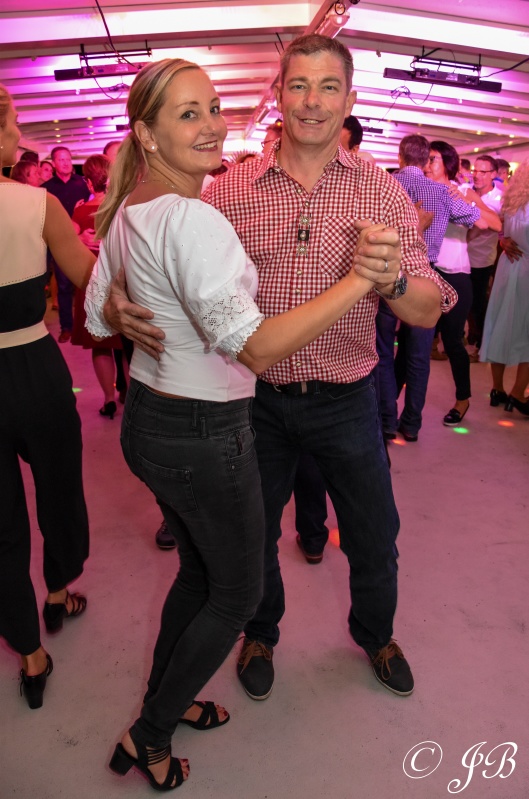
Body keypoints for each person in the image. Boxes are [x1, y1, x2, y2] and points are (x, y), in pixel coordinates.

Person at [102, 36, 457, 708]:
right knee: (254, 536)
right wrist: (119, 296)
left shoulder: (380, 190)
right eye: (298, 85)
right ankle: (260, 634)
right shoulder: (230, 189)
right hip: (252, 402)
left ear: (349, 101)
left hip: (347, 397)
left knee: (374, 534)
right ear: (279, 95)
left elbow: (427, 308)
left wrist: (391, 279)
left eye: (329, 87)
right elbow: (165, 255)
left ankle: (375, 634)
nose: (312, 102)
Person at [84, 57, 387, 791]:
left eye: (214, 108)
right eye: (187, 113)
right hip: (203, 431)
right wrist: (359, 279)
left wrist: (123, 305)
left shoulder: (131, 207)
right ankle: (150, 733)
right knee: (237, 593)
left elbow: (96, 317)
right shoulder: (193, 216)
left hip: (151, 418)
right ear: (146, 134)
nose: (212, 125)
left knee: (199, 572)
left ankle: (167, 699)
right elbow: (254, 348)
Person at [0, 84, 94, 710]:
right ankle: (58, 592)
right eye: (10, 120)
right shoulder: (36, 203)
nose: (17, 132)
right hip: (33, 363)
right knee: (59, 488)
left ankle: (30, 652)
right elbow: (89, 278)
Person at [377, 134, 481, 442]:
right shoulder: (439, 191)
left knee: (384, 350)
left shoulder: (384, 185)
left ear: (400, 157)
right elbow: (473, 216)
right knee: (419, 355)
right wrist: (461, 196)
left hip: (388, 272)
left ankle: (386, 420)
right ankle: (411, 424)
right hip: (425, 275)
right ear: (425, 161)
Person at [424, 141, 501, 425]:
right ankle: (395, 407)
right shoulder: (422, 189)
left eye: (433, 159)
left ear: (447, 163)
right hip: (426, 272)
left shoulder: (463, 191)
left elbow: (495, 224)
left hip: (456, 274)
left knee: (453, 341)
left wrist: (470, 201)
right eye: (426, 159)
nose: (427, 164)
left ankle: (463, 399)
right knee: (415, 340)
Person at [71, 154, 126, 419]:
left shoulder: (81, 211)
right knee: (127, 344)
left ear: (88, 181)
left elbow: (68, 247)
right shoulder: (121, 207)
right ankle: (130, 396)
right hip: (120, 282)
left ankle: (108, 399)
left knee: (100, 345)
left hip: (91, 282)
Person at [480, 158, 529, 414]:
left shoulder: (512, 200)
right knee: (526, 333)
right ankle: (518, 393)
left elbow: (502, 229)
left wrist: (503, 240)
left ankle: (497, 389)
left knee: (499, 325)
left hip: (508, 268)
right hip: (525, 269)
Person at [42, 145, 90, 343]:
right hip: (59, 243)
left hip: (83, 240)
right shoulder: (46, 189)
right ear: (54, 163)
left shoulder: (83, 184)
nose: (66, 163)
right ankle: (66, 327)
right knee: (63, 286)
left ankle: (87, 326)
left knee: (85, 285)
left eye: (68, 159)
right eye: (61, 160)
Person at [466, 155, 503, 360]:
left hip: (482, 259)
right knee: (462, 302)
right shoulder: (467, 191)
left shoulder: (498, 199)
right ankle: (469, 337)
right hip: (461, 257)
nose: (477, 175)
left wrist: (472, 200)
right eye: (475, 170)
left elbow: (492, 223)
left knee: (478, 304)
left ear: (493, 174)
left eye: (483, 171)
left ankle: (481, 345)